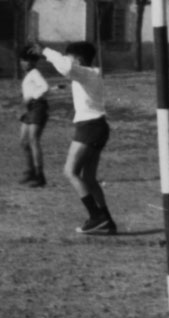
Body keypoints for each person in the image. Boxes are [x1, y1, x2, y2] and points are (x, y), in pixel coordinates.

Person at [34, 41, 116, 235]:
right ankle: (107, 220)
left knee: (70, 172)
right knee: (89, 178)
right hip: (99, 126)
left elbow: (66, 67)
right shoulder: (90, 74)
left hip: (89, 127)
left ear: (78, 60)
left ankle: (96, 216)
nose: (66, 60)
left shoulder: (84, 72)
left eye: (68, 56)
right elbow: (70, 75)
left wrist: (44, 51)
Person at [18, 46, 49, 188]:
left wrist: (31, 97)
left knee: (33, 140)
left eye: (25, 61)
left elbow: (45, 87)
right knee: (23, 141)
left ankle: (39, 175)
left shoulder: (35, 72)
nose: (22, 63)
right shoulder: (29, 74)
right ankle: (30, 170)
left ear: (32, 62)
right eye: (22, 60)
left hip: (38, 107)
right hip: (29, 109)